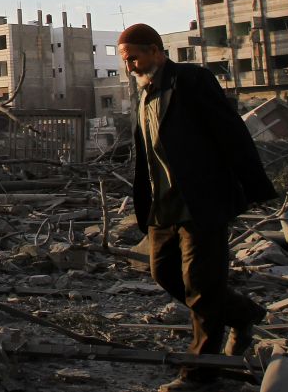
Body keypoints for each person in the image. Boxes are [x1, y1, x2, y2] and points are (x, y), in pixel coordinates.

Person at [117, 23, 279, 391]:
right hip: (163, 207)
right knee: (164, 274)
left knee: (202, 286)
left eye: (134, 59)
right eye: (126, 61)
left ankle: (200, 373)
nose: (130, 68)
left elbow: (230, 131)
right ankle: (243, 313)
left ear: (156, 51)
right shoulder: (145, 96)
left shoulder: (190, 81)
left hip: (201, 202)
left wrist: (251, 185)